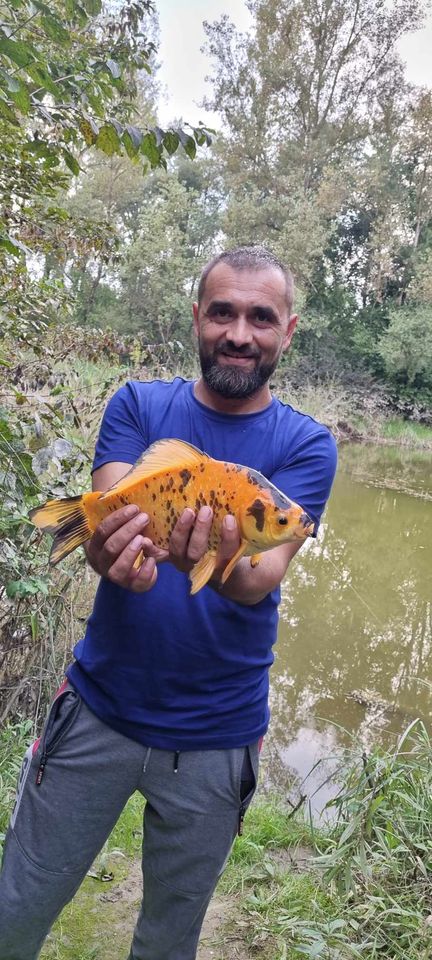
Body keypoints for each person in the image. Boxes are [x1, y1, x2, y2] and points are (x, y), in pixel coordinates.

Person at [0, 246, 337, 960]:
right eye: (222, 313)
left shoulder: (308, 445)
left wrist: (202, 557)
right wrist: (109, 551)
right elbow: (114, 514)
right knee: (15, 906)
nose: (238, 333)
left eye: (260, 317)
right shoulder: (137, 404)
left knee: (169, 940)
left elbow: (258, 576)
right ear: (196, 318)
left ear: (288, 330)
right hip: (99, 708)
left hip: (218, 734)